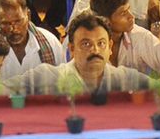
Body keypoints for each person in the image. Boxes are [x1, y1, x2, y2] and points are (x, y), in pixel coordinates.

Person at [17, 11, 147, 97]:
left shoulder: (127, 80)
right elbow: (0, 92)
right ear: (71, 49)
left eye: (101, 43)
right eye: (86, 44)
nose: (95, 50)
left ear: (110, 47)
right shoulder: (47, 77)